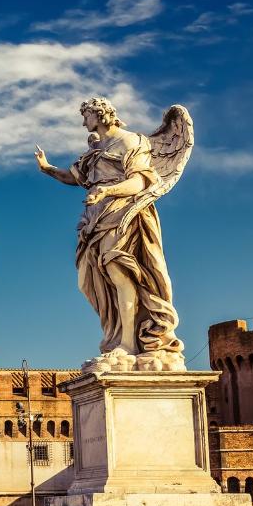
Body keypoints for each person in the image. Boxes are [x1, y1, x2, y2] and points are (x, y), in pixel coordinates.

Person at [34, 97, 189, 372]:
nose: (84, 122)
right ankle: (117, 336)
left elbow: (140, 181)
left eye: (87, 116)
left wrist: (107, 191)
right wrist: (47, 169)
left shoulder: (131, 142)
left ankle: (128, 344)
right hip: (96, 217)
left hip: (124, 212)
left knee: (120, 273)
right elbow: (75, 177)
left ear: (101, 114)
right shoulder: (96, 149)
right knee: (93, 280)